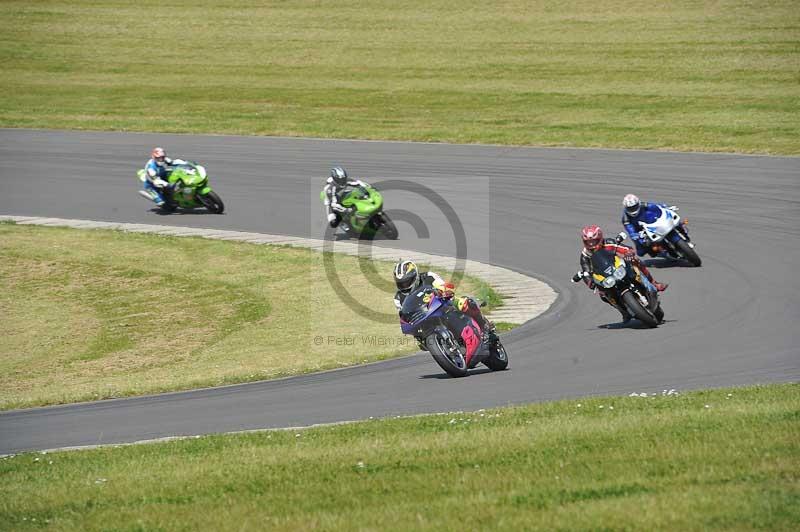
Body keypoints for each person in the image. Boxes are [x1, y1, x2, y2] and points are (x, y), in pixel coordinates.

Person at [393, 260, 497, 345]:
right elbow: (403, 313)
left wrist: (443, 290)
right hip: (422, 317)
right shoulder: (398, 298)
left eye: (407, 282)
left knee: (463, 303)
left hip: (441, 305)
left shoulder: (428, 276)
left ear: (415, 276)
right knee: (420, 340)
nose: (405, 286)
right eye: (401, 284)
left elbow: (442, 286)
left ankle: (484, 327)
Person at [576, 225, 667, 323]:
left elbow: (626, 249)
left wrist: (628, 253)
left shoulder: (609, 243)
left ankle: (653, 283)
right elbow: (586, 271)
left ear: (600, 238)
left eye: (594, 241)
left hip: (619, 268)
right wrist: (590, 282)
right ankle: (623, 311)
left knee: (636, 261)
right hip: (606, 278)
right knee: (602, 294)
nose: (591, 244)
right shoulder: (585, 256)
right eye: (588, 242)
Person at [621, 194, 687, 257]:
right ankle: (659, 251)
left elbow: (659, 206)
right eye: (630, 208)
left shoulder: (646, 205)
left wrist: (667, 207)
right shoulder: (626, 218)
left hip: (654, 223)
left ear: (638, 203)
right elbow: (630, 229)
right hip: (640, 230)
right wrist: (634, 235)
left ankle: (683, 232)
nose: (633, 210)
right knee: (641, 251)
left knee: (676, 222)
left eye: (634, 207)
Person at [322, 166, 369, 232]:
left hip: (342, 194)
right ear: (335, 179)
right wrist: (346, 210)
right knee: (333, 223)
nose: (342, 181)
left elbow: (358, 183)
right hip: (331, 201)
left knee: (358, 194)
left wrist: (368, 188)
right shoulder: (330, 189)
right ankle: (342, 222)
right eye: (340, 180)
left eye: (343, 179)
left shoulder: (345, 180)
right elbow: (334, 204)